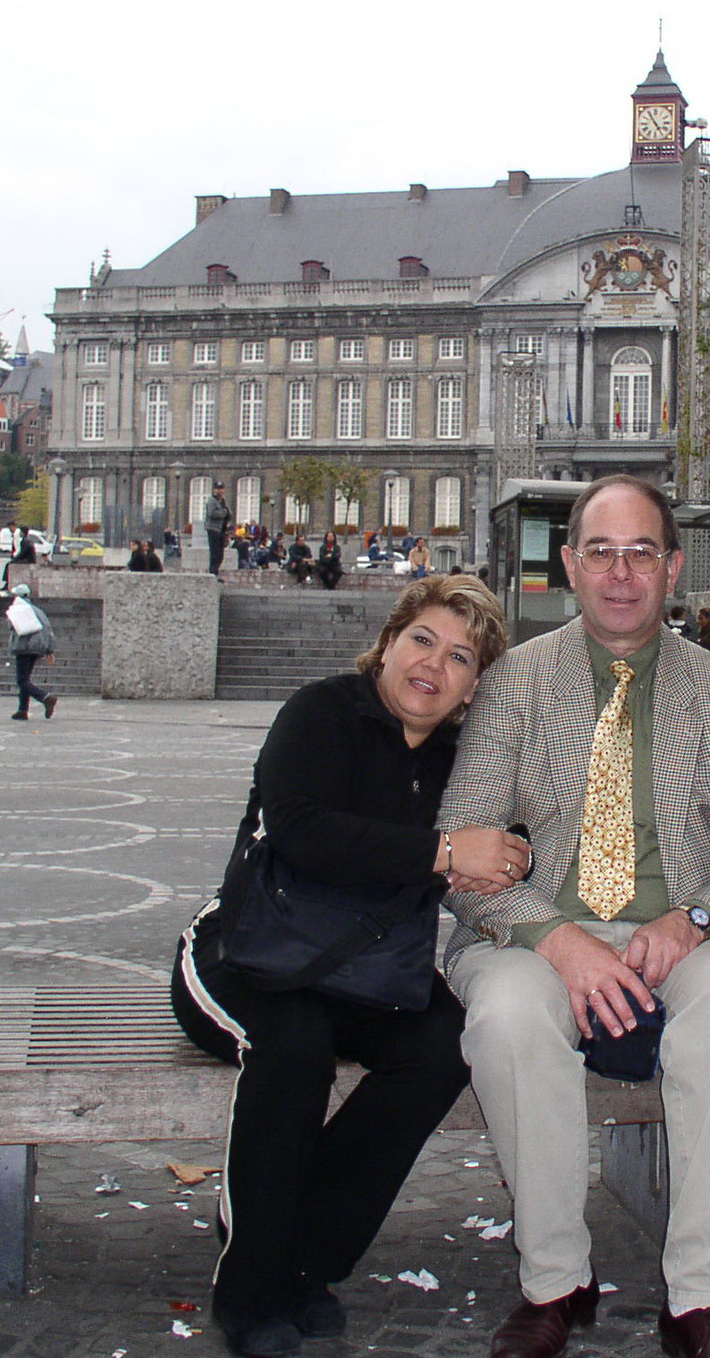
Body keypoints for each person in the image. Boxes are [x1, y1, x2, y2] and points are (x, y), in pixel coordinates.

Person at [438, 474, 710, 1358]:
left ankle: (703, 1302)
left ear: (672, 567)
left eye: (640, 552)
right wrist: (560, 942)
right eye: (600, 552)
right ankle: (556, 1284)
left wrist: (695, 919)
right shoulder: (514, 683)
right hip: (532, 928)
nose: (619, 574)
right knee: (507, 1016)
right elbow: (461, 848)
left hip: (681, 930)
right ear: (570, 563)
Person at [172, 576, 521, 1357]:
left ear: (472, 688)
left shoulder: (462, 760)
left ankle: (305, 1257)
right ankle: (252, 1288)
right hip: (246, 956)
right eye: (423, 640)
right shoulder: (320, 713)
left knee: (443, 1047)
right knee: (292, 1046)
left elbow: (501, 834)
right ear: (390, 641)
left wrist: (510, 851)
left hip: (363, 969)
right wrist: (439, 852)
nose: (433, 664)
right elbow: (304, 833)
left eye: (460, 657)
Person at [6, 583, 58, 721]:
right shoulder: (37, 610)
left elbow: (11, 626)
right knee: (26, 679)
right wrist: (49, 650)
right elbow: (47, 628)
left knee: (22, 680)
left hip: (23, 647)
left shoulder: (17, 609)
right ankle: (23, 710)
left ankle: (46, 698)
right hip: (37, 647)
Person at [205, 482, 234, 579]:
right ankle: (212, 573)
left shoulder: (223, 501)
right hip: (213, 529)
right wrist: (224, 512)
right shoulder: (211, 501)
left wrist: (228, 514)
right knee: (215, 552)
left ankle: (216, 572)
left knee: (220, 554)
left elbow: (229, 513)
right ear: (214, 490)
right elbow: (212, 514)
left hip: (222, 530)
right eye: (218, 488)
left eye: (221, 488)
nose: (220, 491)